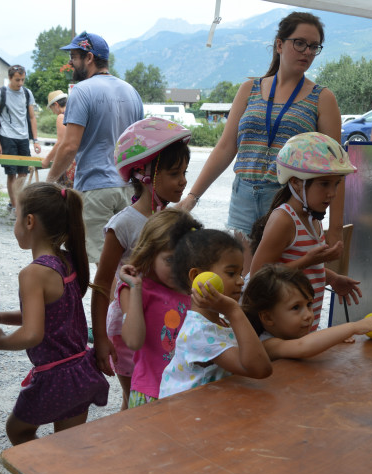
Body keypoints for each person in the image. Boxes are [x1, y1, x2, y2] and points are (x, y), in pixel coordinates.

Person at [176, 12, 344, 274]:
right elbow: (225, 147)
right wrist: (192, 198)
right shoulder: (249, 89)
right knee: (240, 279)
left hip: (286, 200)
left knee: (278, 284)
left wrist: (335, 230)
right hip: (243, 194)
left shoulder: (322, 98)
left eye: (314, 46)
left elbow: (335, 169)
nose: (307, 52)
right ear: (279, 45)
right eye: (299, 43)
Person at [0, 182, 108, 445]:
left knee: (17, 431)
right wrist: (1, 317)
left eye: (15, 216)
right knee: (68, 446)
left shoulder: (33, 273)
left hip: (55, 378)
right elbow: (50, 316)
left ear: (29, 221)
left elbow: (32, 333)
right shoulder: (67, 260)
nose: (14, 223)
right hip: (80, 372)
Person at [89, 117, 191, 409]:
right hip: (127, 329)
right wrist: (99, 339)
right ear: (144, 175)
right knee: (135, 399)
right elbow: (102, 283)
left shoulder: (176, 221)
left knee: (160, 394)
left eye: (184, 172)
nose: (183, 181)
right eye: (174, 173)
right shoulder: (124, 224)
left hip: (165, 325)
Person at [46, 31, 144, 263]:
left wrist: (49, 181)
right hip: (129, 188)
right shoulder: (132, 92)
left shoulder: (81, 91)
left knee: (100, 265)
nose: (70, 62)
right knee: (127, 263)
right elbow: (139, 143)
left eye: (74, 56)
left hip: (96, 187)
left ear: (89, 57)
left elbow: (69, 146)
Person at [249, 132, 361, 331]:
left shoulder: (312, 219)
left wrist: (332, 278)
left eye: (336, 184)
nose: (332, 193)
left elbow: (302, 269)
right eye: (324, 184)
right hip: (281, 335)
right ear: (296, 182)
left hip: (303, 330)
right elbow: (258, 275)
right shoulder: (284, 220)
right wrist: (308, 261)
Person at [159, 229, 272, 398]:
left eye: (241, 273)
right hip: (186, 417)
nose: (241, 281)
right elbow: (260, 368)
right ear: (197, 276)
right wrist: (234, 311)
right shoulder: (200, 332)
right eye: (231, 273)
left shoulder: (219, 322)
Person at [117, 208, 202, 408]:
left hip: (189, 389)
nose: (178, 268)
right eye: (170, 260)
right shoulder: (137, 289)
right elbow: (133, 341)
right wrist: (136, 287)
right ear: (150, 252)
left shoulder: (190, 289)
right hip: (151, 391)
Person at [242, 265, 372, 359]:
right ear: (268, 317)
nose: (308, 314)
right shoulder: (267, 344)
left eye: (309, 304)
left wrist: (334, 338)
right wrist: (353, 327)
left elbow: (309, 341)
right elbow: (302, 346)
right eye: (296, 307)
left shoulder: (291, 334)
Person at [0, 64, 41, 211]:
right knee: (11, 173)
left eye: (23, 80)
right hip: (7, 136)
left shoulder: (27, 93)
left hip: (23, 137)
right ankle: (14, 205)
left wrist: (35, 140)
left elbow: (32, 118)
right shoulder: (0, 93)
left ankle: (18, 201)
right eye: (17, 80)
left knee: (23, 173)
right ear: (10, 78)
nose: (20, 83)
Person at [41, 89, 75, 188]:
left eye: (52, 108)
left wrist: (47, 160)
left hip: (68, 161)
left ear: (56, 104)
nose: (53, 112)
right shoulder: (73, 113)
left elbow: (60, 142)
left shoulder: (61, 116)